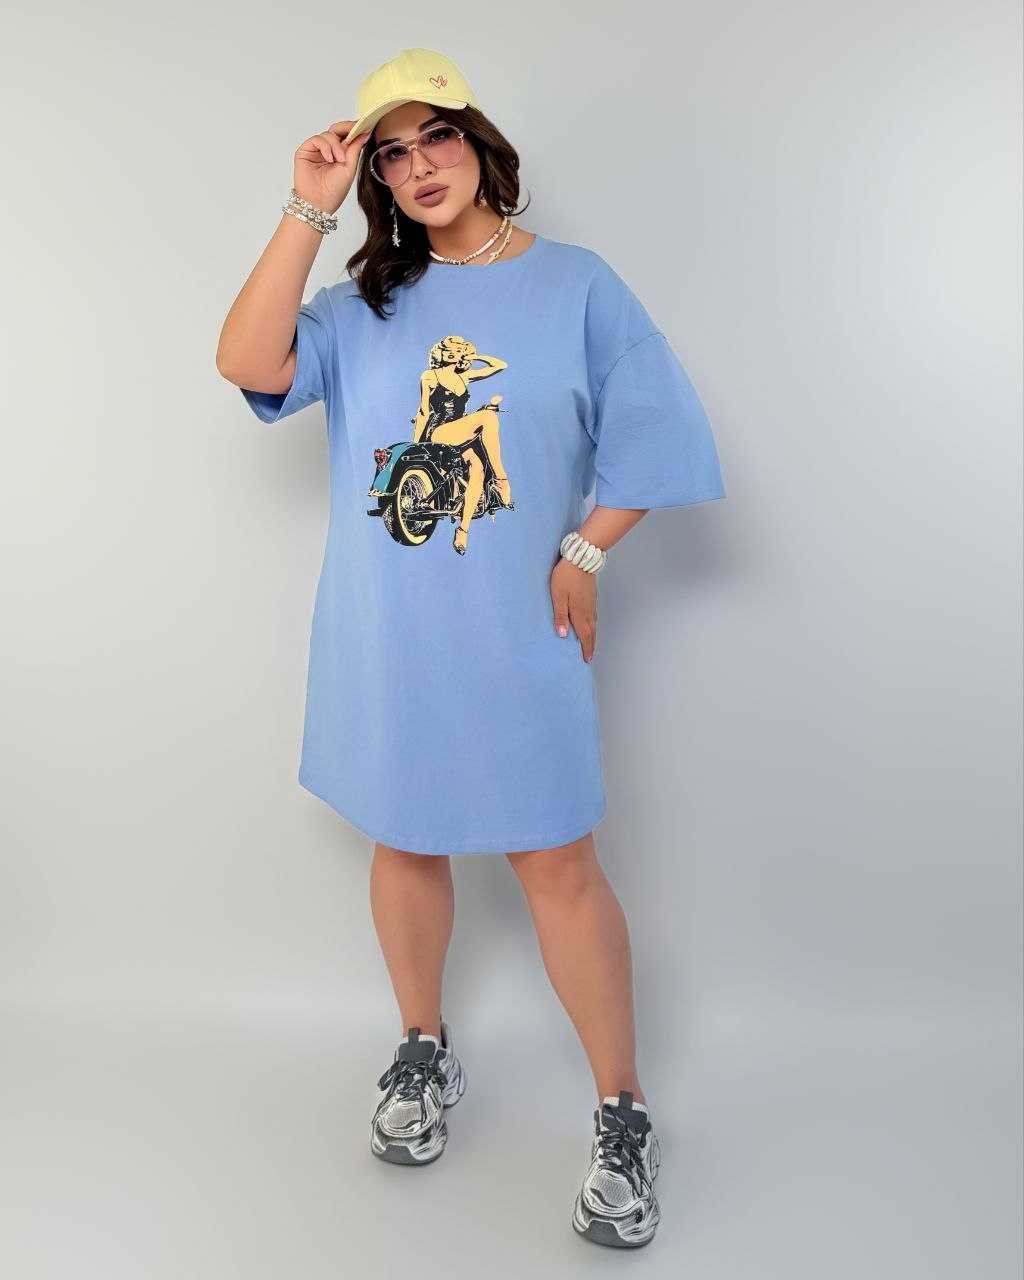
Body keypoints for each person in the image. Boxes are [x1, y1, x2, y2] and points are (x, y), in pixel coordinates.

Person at [216, 46, 726, 1250]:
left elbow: (654, 425)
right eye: (389, 154)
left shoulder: (577, 286)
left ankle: (621, 1107)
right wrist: (307, 204)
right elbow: (247, 362)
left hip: (519, 631)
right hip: (388, 631)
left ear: (478, 142)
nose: (416, 165)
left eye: (433, 136)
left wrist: (585, 549)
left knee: (556, 859)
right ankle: (423, 1046)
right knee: (406, 835)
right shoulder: (366, 303)